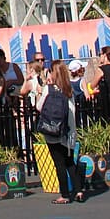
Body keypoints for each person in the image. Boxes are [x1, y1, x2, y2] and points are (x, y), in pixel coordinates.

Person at [36, 59, 85, 204]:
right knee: (70, 162)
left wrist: (40, 92)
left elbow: (39, 107)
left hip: (54, 131)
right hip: (69, 131)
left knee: (59, 164)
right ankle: (78, 190)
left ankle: (64, 194)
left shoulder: (49, 89)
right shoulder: (69, 90)